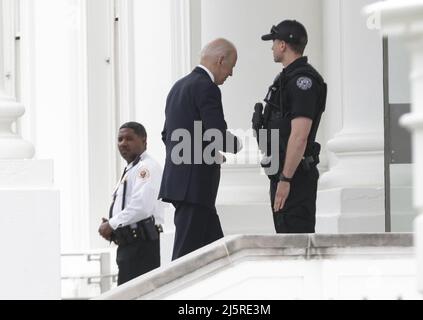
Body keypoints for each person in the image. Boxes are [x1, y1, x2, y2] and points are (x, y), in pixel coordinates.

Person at [159, 38, 242, 260]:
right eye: (231, 67)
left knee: (219, 255)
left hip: (185, 186)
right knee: (185, 258)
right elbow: (217, 134)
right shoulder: (207, 87)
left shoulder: (178, 87)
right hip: (195, 188)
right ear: (221, 60)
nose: (231, 74)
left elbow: (168, 135)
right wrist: (240, 145)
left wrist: (202, 152)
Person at [253, 20, 327, 234]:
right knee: (285, 241)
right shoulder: (286, 78)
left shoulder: (303, 81)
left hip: (294, 177)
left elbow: (299, 136)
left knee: (295, 245)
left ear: (283, 45)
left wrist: (286, 180)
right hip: (282, 172)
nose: (272, 47)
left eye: (274, 42)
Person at [98, 122, 165, 286]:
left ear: (144, 141)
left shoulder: (146, 167)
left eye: (129, 138)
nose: (123, 143)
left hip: (141, 246)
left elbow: (142, 207)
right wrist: (112, 224)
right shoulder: (132, 168)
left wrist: (112, 224)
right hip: (129, 245)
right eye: (120, 139)